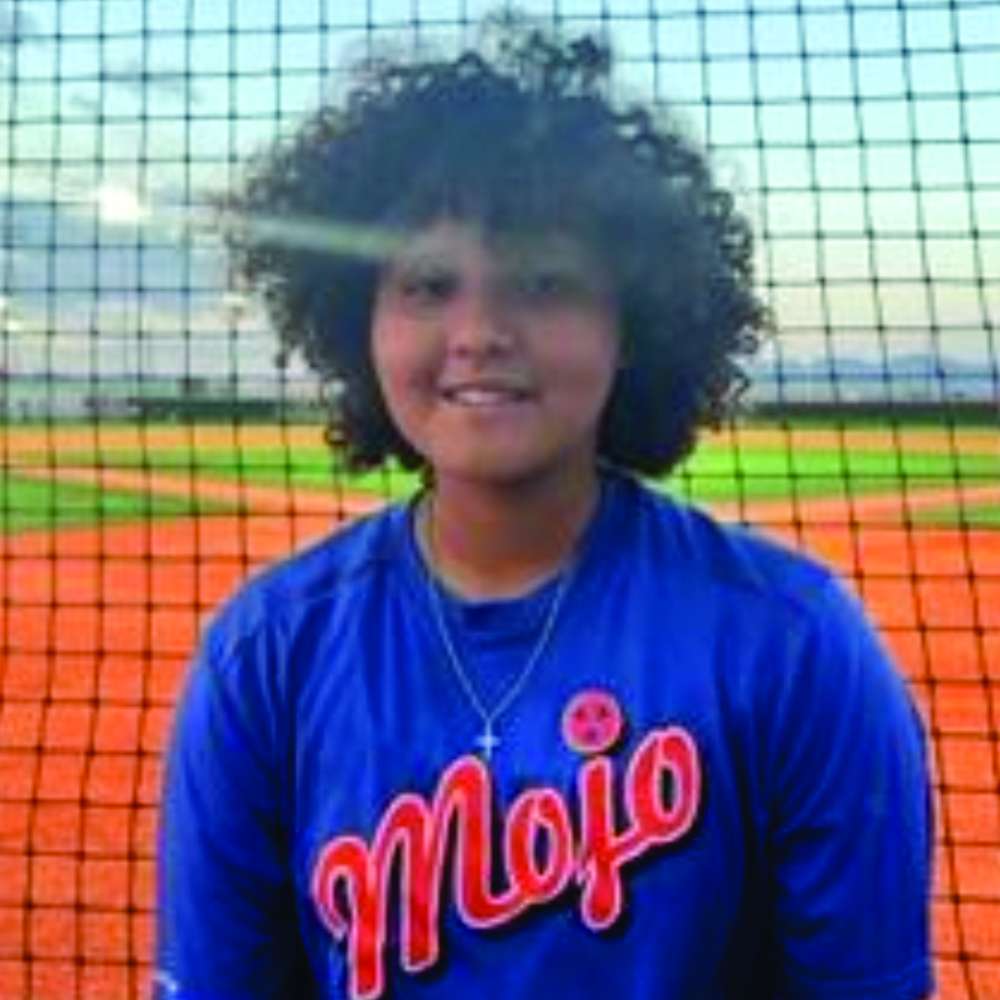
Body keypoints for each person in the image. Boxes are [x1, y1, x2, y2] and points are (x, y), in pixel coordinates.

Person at [156, 21, 933, 1000]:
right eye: (429, 284)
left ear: (631, 322)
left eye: (545, 282)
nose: (480, 331)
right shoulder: (267, 654)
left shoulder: (791, 643)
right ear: (359, 322)